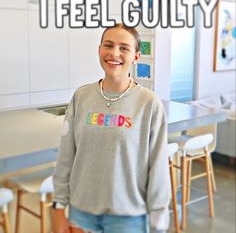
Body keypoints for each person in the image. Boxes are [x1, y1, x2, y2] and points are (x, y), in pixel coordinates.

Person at [52, 23, 171, 233]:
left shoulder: (149, 103)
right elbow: (66, 156)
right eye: (108, 45)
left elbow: (158, 167)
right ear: (99, 50)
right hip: (81, 212)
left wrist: (158, 222)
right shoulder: (82, 97)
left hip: (128, 217)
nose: (114, 53)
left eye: (124, 48)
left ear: (135, 56)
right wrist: (59, 205)